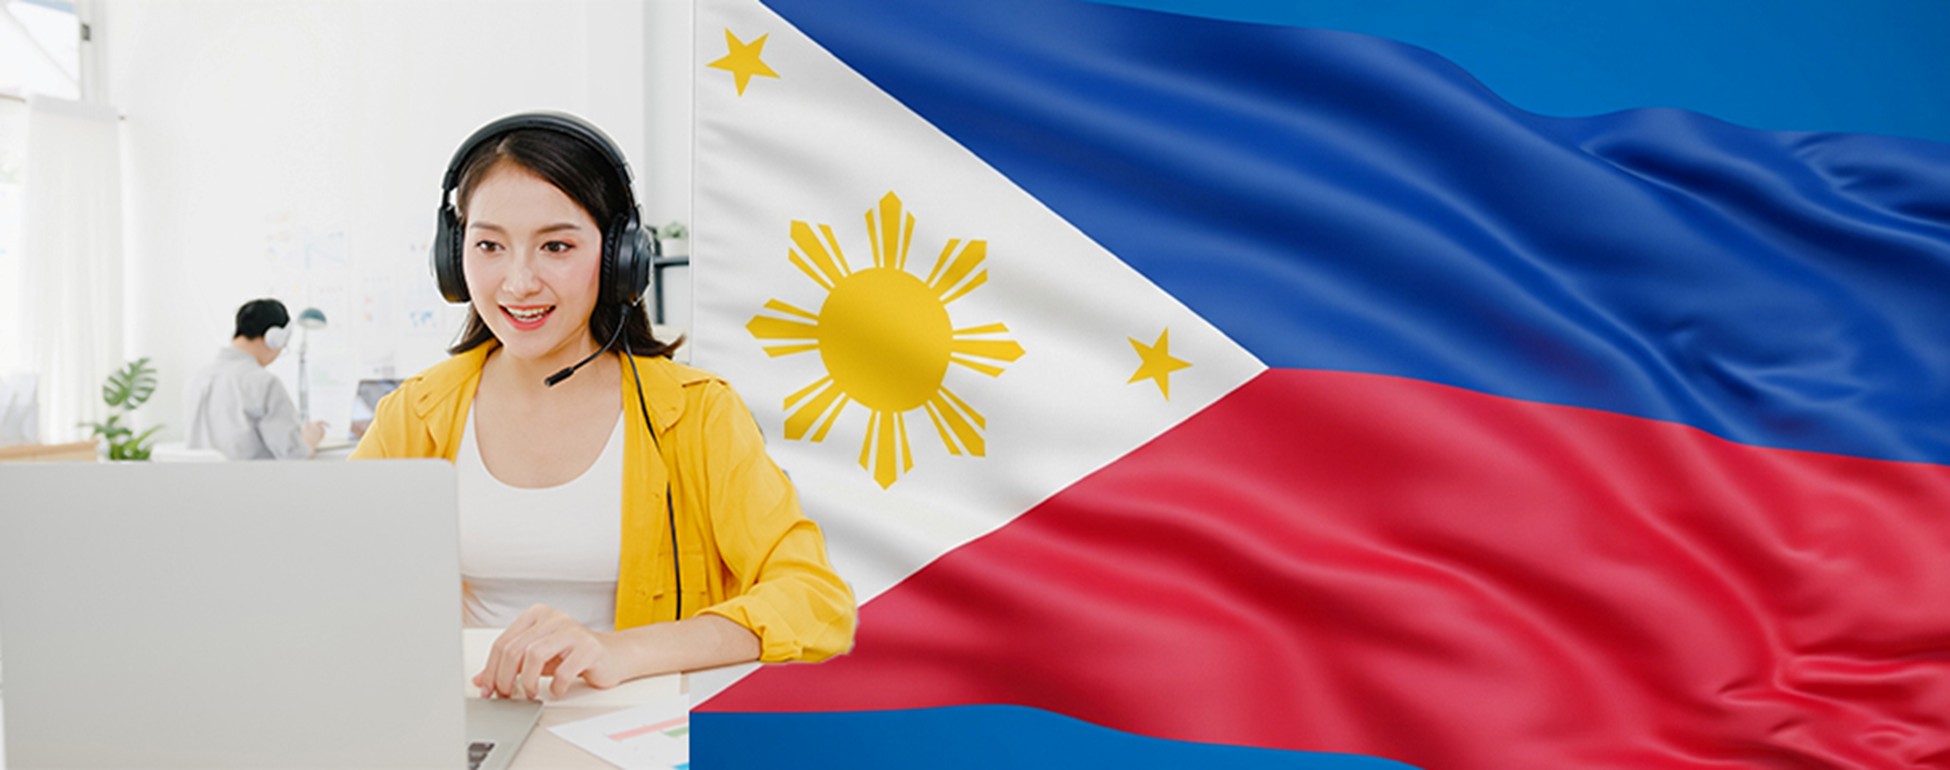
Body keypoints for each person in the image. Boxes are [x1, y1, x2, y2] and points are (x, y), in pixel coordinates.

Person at [352, 112, 855, 700]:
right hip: (464, 729)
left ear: (620, 259)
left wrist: (621, 650)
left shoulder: (695, 414)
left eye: (556, 246)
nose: (518, 283)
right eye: (488, 244)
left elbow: (815, 600)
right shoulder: (415, 413)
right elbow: (324, 573)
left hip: (639, 737)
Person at [184, 298, 327, 460]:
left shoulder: (197, 379)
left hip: (203, 484)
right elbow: (296, 458)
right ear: (275, 338)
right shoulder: (263, 383)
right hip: (253, 483)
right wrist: (310, 440)